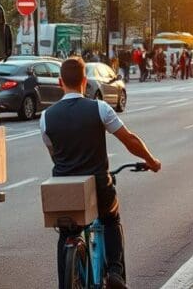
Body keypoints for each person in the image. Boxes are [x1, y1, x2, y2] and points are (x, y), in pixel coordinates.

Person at [40, 57, 161, 289]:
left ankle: (64, 282)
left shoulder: (46, 118)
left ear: (59, 82)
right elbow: (129, 140)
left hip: (64, 188)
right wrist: (151, 160)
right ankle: (115, 271)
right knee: (111, 218)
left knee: (66, 232)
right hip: (98, 183)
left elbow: (54, 154)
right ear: (85, 81)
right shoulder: (99, 108)